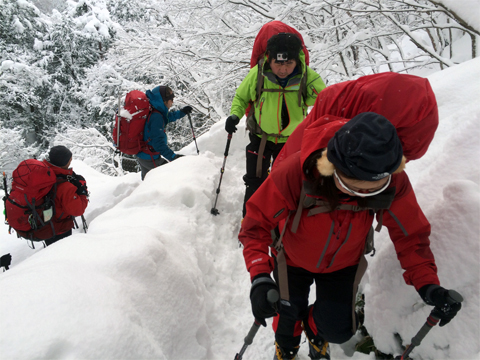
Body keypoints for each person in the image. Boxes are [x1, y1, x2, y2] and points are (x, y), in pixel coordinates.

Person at [238, 113, 462, 359]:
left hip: (344, 263)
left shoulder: (391, 178)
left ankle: (315, 331)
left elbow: (411, 235)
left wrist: (428, 284)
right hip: (291, 258)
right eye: (352, 186)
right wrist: (259, 276)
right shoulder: (296, 172)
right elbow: (255, 225)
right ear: (333, 166)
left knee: (339, 328)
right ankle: (287, 347)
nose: (362, 194)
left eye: (372, 190)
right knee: (287, 316)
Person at [225, 32, 326, 216]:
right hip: (260, 137)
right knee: (255, 182)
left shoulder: (306, 76)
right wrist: (234, 115)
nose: (283, 69)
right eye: (278, 63)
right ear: (269, 59)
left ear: (297, 60)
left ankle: (281, 224)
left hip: (291, 142)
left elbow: (325, 99)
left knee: (287, 184)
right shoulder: (258, 73)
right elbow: (241, 96)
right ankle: (250, 225)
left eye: (289, 63)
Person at [135, 85, 193, 180]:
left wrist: (181, 112)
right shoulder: (156, 117)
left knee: (148, 182)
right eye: (171, 98)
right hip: (150, 156)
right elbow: (158, 143)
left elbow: (167, 117)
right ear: (163, 100)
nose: (172, 101)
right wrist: (173, 157)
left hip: (143, 154)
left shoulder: (155, 111)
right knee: (168, 177)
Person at [42, 146, 89, 246]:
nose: (71, 161)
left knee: (49, 251)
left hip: (44, 224)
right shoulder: (64, 186)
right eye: (70, 159)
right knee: (61, 254)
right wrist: (83, 192)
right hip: (60, 229)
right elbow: (78, 209)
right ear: (64, 162)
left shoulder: (44, 173)